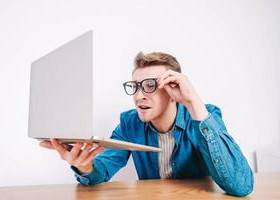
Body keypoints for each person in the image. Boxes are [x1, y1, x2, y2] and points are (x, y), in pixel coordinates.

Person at [40, 51, 254, 197]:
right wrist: (85, 166)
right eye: (135, 86)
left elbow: (241, 186)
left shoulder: (202, 116)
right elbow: (102, 169)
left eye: (150, 85)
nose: (139, 95)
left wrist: (193, 101)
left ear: (174, 88)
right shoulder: (129, 123)